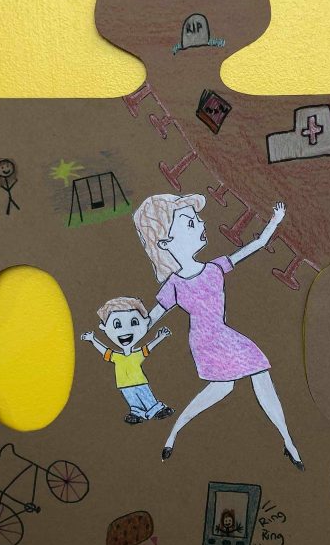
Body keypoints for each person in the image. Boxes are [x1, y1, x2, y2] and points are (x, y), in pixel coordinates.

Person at [133, 193, 304, 469]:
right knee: (234, 382)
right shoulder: (174, 285)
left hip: (224, 335)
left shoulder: (214, 267)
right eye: (190, 222)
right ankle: (175, 433)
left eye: (198, 219)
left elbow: (257, 245)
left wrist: (275, 220)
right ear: (165, 242)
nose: (202, 224)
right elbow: (149, 320)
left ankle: (287, 441)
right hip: (205, 341)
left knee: (231, 384)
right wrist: (127, 334)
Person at [80, 296, 174, 425]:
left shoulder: (137, 355)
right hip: (124, 385)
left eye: (134, 322)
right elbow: (104, 351)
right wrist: (92, 339)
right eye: (117, 324)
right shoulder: (117, 357)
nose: (125, 331)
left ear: (145, 322)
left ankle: (156, 409)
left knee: (146, 396)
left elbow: (149, 347)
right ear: (104, 327)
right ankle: (136, 413)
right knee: (132, 400)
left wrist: (161, 337)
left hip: (140, 382)